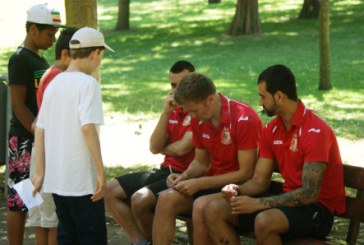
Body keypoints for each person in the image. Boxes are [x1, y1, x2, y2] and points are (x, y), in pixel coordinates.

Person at [203, 64, 346, 245]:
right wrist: (237, 189)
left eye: (263, 96)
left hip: (317, 210)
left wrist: (258, 204)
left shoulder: (315, 131)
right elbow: (259, 181)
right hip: (283, 205)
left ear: (279, 96)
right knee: (213, 210)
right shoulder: (271, 130)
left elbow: (310, 194)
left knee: (264, 221)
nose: (260, 103)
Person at [152, 72, 263, 245]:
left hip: (238, 188)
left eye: (194, 110)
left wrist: (199, 183)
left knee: (201, 205)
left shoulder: (243, 118)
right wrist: (185, 177)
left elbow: (246, 173)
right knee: (166, 198)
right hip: (213, 183)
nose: (192, 116)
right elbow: (201, 162)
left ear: (210, 100)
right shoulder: (200, 118)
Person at [32, 27, 114, 244]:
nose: (99, 61)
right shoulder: (89, 84)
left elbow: (40, 129)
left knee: (67, 235)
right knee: (92, 236)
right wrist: (100, 171)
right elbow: (87, 127)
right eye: (101, 55)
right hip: (82, 180)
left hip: (57, 179)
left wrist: (40, 173)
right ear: (95, 53)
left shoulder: (53, 83)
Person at [104, 60, 196, 245]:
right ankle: (140, 242)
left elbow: (182, 148)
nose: (175, 90)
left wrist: (164, 147)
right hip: (165, 171)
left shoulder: (197, 108)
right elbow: (154, 147)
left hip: (185, 175)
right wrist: (165, 113)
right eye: (172, 85)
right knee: (108, 191)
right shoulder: (172, 107)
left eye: (181, 85)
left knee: (140, 200)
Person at [6, 3, 64, 244]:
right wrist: (38, 133)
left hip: (40, 137)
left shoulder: (39, 59)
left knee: (39, 200)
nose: (53, 39)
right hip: (24, 138)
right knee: (19, 199)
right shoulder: (20, 59)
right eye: (49, 34)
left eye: (55, 34)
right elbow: (19, 105)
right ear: (33, 31)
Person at [26, 27, 78, 245]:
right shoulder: (59, 78)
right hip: (49, 156)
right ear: (66, 54)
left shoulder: (50, 73)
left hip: (42, 153)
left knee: (43, 220)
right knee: (54, 220)